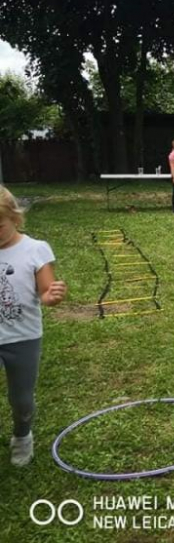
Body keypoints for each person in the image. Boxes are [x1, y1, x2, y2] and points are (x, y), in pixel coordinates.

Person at [0, 186, 67, 465]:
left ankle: (22, 436)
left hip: (23, 338)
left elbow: (45, 292)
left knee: (21, 398)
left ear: (15, 218)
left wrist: (50, 296)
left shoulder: (35, 250)